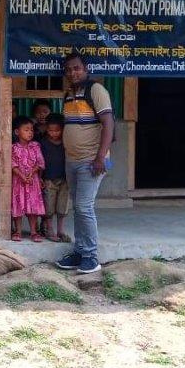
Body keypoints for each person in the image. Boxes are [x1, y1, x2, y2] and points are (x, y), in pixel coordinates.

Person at [55, 52, 113, 274]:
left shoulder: (96, 90)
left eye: (77, 68)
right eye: (69, 69)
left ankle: (91, 256)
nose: (73, 72)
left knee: (84, 207)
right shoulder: (68, 94)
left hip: (92, 161)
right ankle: (79, 252)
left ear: (86, 69)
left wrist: (100, 157)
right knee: (78, 208)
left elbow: (108, 124)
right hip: (72, 160)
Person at [10, 116, 45, 243]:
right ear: (17, 132)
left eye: (31, 130)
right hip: (18, 181)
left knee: (33, 207)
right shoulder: (13, 148)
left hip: (32, 181)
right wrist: (22, 175)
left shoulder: (35, 146)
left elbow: (40, 162)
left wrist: (32, 173)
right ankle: (17, 231)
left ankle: (33, 232)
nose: (30, 132)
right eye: (26, 130)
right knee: (18, 205)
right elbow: (12, 164)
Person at [40, 113, 70, 243]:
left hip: (65, 178)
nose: (53, 133)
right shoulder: (42, 143)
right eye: (50, 130)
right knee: (49, 205)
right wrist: (40, 178)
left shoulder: (66, 142)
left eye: (57, 130)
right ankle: (49, 230)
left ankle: (61, 230)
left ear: (62, 129)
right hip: (49, 179)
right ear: (46, 129)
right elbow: (39, 162)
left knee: (62, 206)